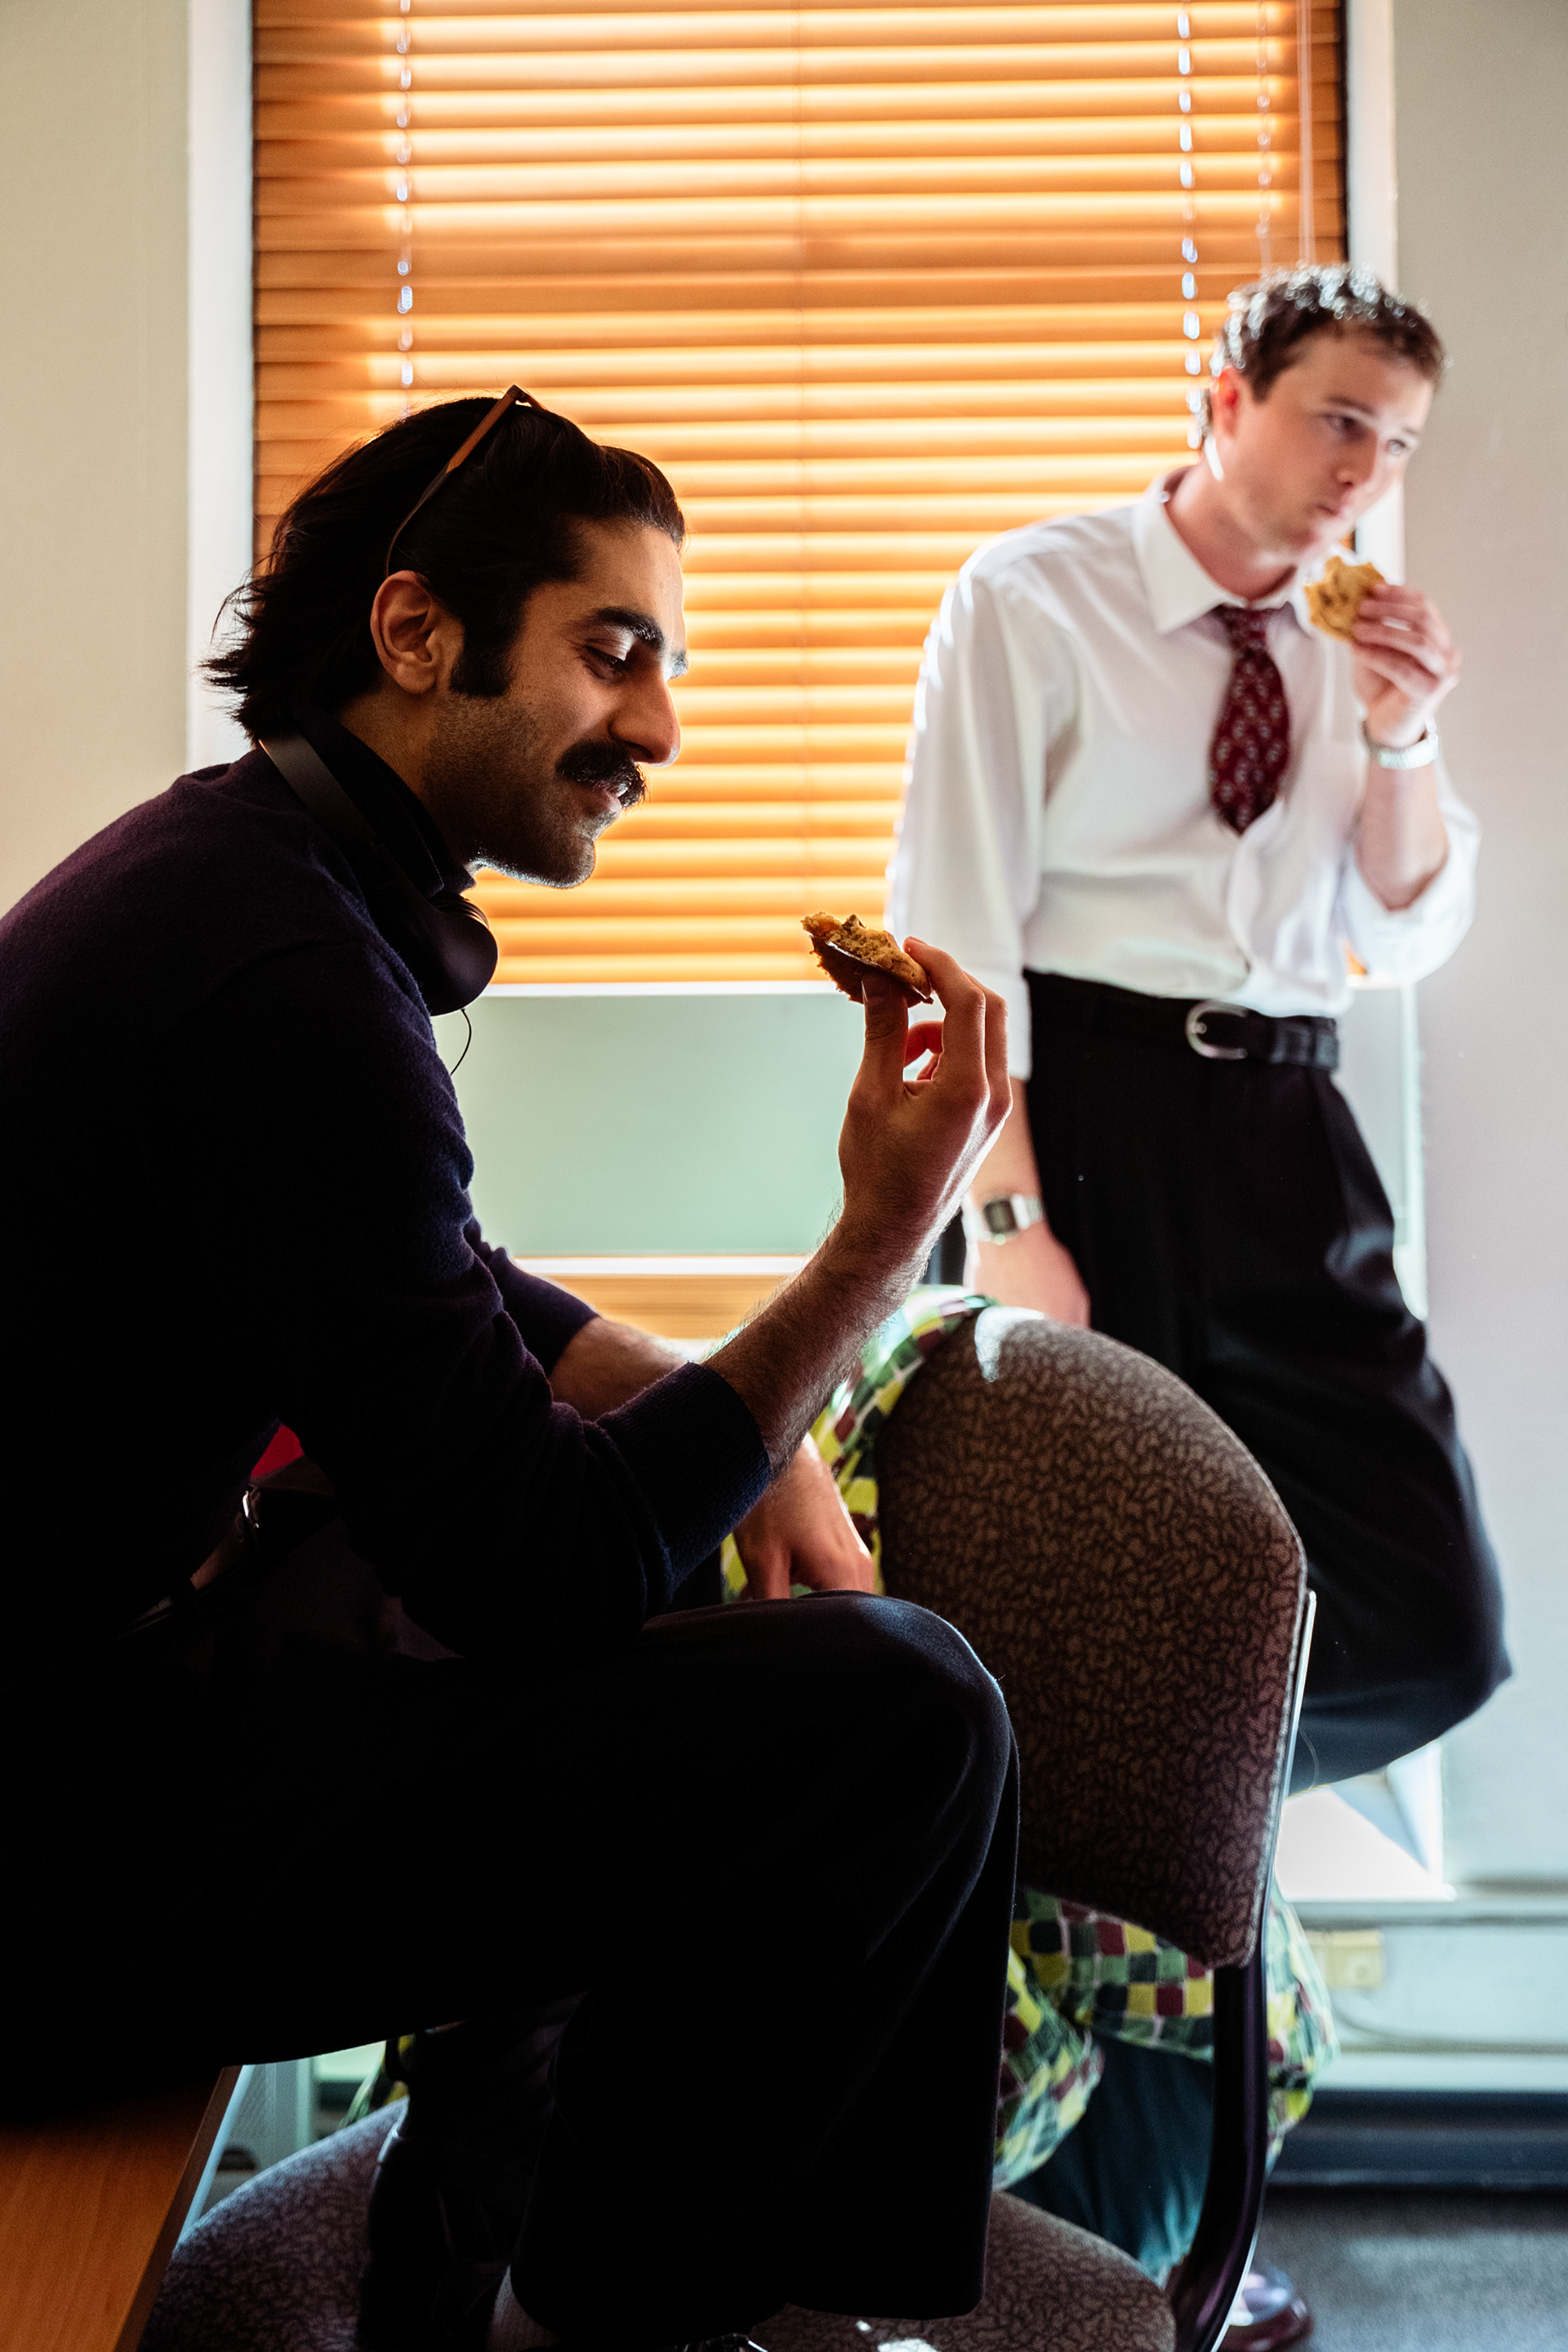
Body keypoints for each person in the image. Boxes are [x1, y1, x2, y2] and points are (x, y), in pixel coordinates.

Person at [0, 392, 1020, 2352]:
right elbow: (535, 1575)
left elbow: (411, 1271)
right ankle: (622, 2326)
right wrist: (876, 1251)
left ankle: (494, 2258)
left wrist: (701, 1405)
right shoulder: (288, 982)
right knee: (905, 1714)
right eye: (612, 652)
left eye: (669, 665)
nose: (661, 728)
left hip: (90, 1707)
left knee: (681, 1602)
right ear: (417, 634)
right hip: (52, 1862)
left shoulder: (227, 874)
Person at [885, 262, 1509, 2345]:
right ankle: (1123, 2244)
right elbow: (953, 932)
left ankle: (1075, 1838)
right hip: (1089, 1125)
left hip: (1294, 1133)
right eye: (1338, 419)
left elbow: (1409, 919)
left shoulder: (1357, 639)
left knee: (1425, 1619)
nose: (1365, 473)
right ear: (1224, 394)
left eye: (1396, 442)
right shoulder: (1033, 598)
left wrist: (1405, 731)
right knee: (1084, 1606)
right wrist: (1006, 1222)